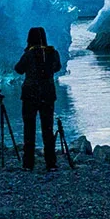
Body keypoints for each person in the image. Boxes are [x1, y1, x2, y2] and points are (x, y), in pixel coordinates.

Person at [13, 26, 63, 171]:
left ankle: (28, 163)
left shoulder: (29, 54)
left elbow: (18, 69)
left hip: (30, 94)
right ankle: (51, 162)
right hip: (48, 94)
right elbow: (57, 67)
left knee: (29, 128)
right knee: (47, 128)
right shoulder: (53, 52)